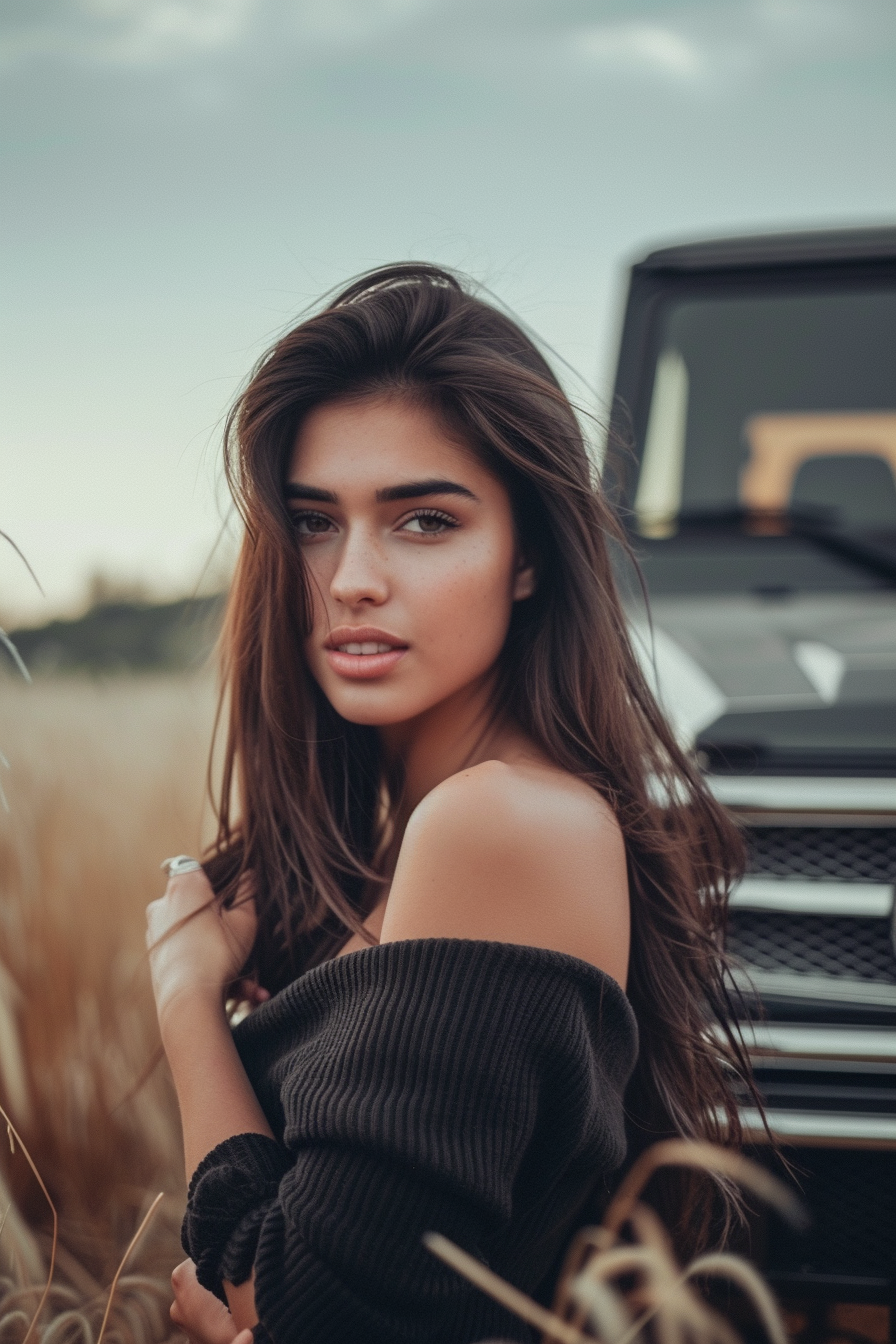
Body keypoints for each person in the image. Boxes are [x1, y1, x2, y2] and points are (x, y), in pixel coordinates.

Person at [145, 264, 751, 1344]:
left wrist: (188, 997)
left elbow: (296, 1308)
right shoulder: (427, 832)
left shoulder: (498, 823)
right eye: (313, 521)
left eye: (423, 520)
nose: (349, 579)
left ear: (526, 559)